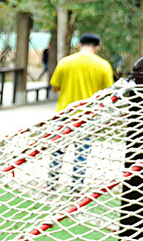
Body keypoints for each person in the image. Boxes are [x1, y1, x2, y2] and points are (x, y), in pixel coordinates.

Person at [48, 33, 113, 191]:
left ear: (79, 45)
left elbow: (55, 86)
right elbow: (108, 93)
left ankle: (51, 187)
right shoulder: (103, 66)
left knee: (57, 151)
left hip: (63, 114)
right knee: (81, 154)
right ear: (97, 47)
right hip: (87, 116)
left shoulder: (65, 62)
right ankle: (75, 189)